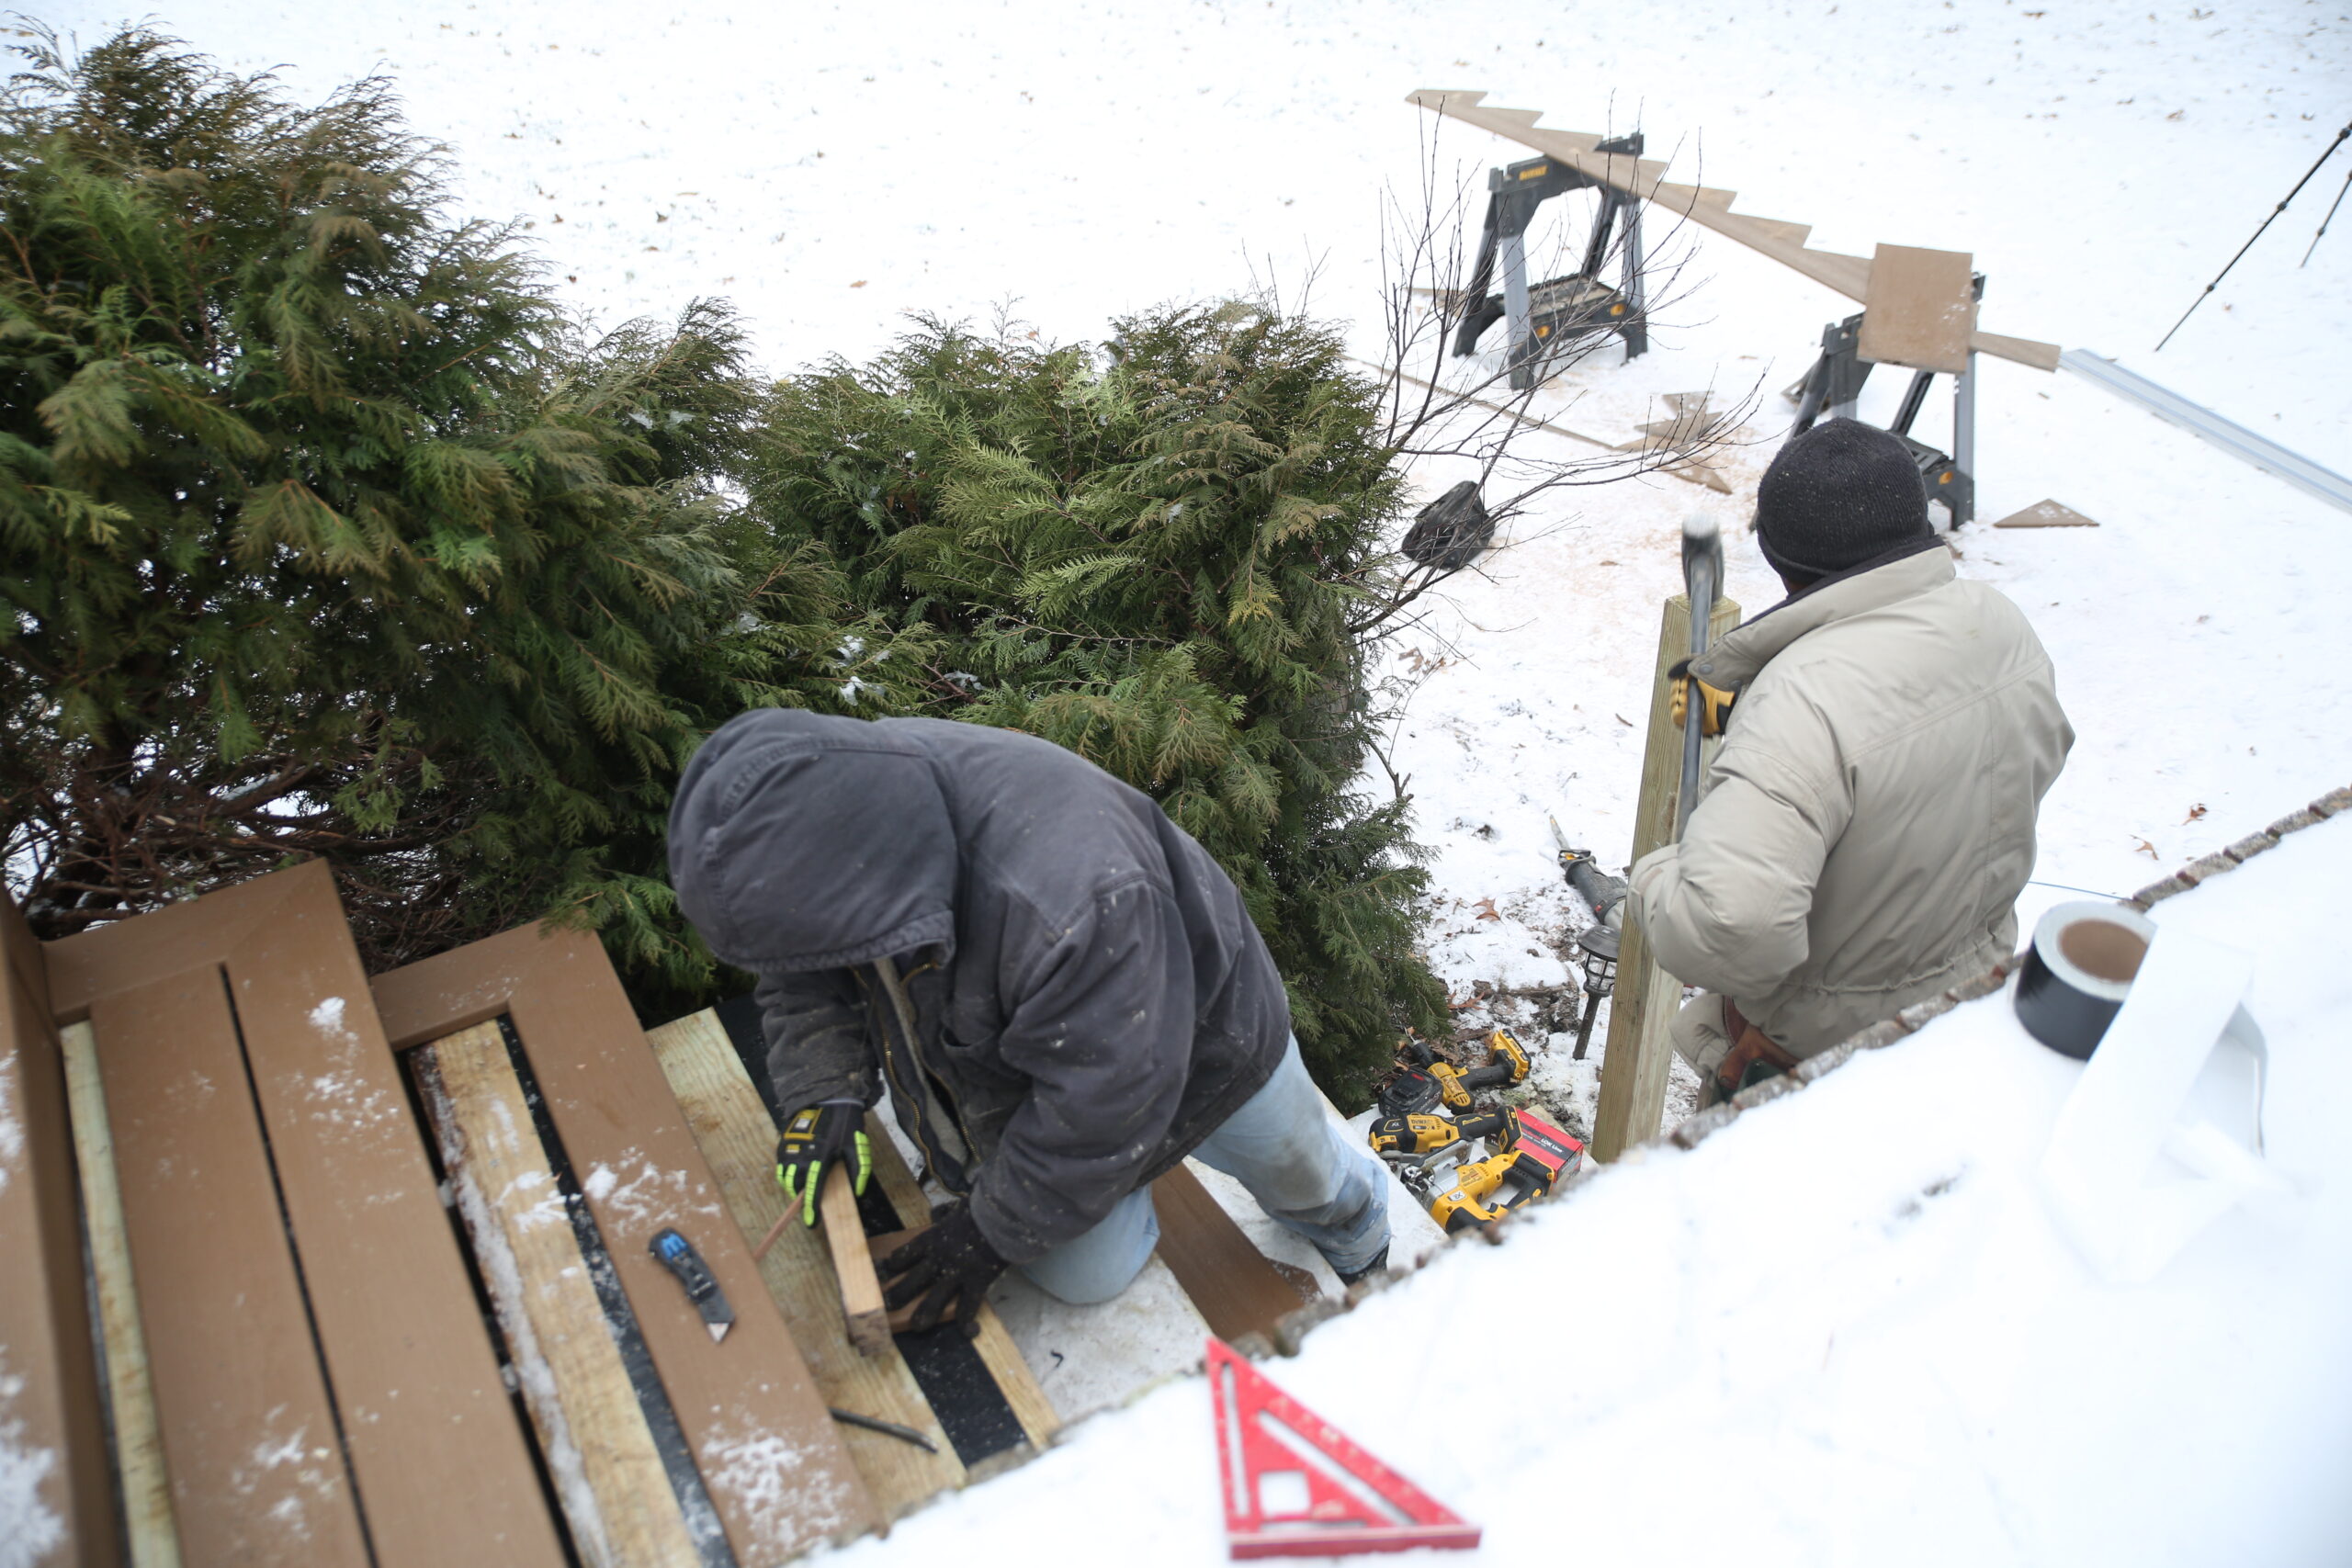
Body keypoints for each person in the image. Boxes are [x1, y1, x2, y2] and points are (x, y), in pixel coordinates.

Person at [666, 707, 1390, 1333]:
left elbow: (1109, 1097)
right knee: (1085, 1274)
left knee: (1303, 1173)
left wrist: (989, 1231)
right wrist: (823, 1089)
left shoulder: (1077, 896)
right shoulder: (838, 814)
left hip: (1212, 1038)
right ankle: (1115, 1188)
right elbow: (801, 968)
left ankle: (1362, 1240)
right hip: (1063, 1054)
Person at [1631, 419, 2074, 1106]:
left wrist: (1660, 873)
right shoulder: (2000, 626)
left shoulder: (1802, 706)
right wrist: (1750, 715)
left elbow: (1731, 929)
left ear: (1780, 558)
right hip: (1965, 1016)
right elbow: (1930, 758)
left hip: (1820, 1072)